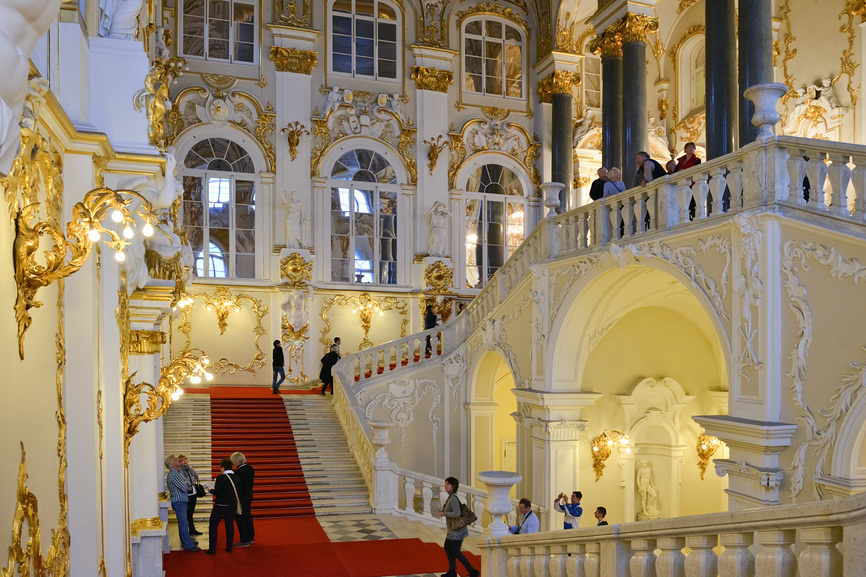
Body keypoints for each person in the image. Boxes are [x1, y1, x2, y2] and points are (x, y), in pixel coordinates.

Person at [436, 477, 480, 577]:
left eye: (448, 484)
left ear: (453, 486)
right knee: (447, 548)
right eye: (445, 484)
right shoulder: (451, 497)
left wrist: (444, 513)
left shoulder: (453, 499)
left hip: (457, 531)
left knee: (455, 551)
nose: (445, 486)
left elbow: (457, 513)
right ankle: (452, 571)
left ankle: (472, 571)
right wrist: (443, 512)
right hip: (453, 530)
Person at [165, 455, 201, 552]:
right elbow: (185, 487)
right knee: (184, 523)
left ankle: (186, 541)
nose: (179, 460)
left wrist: (186, 483)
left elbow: (188, 482)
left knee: (183, 523)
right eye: (176, 460)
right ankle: (188, 545)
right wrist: (186, 483)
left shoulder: (178, 472)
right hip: (179, 501)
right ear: (172, 464)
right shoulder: (174, 474)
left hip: (182, 500)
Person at [206, 458, 240, 555]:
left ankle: (212, 549)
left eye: (220, 468)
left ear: (223, 467)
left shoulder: (220, 478)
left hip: (220, 505)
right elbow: (239, 491)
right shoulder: (237, 477)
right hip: (232, 505)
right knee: (229, 525)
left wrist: (210, 490)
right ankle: (229, 547)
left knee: (213, 526)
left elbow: (218, 492)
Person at [231, 452, 255, 547]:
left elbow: (237, 486)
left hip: (241, 496)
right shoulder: (250, 468)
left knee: (240, 516)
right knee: (247, 515)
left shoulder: (239, 472)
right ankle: (250, 537)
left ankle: (244, 539)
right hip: (249, 495)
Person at [178, 454, 202, 536]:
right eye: (182, 460)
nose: (185, 461)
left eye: (186, 459)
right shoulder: (180, 470)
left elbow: (196, 476)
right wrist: (189, 482)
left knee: (191, 512)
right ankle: (187, 530)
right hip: (186, 493)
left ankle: (192, 529)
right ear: (180, 462)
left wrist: (192, 482)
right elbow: (184, 481)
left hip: (193, 492)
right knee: (187, 513)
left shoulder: (189, 468)